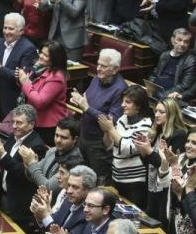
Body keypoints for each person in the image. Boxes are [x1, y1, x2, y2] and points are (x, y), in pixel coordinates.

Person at [0, 104, 48, 226]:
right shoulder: (14, 136)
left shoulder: (37, 146)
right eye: (13, 122)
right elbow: (2, 162)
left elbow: (23, 174)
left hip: (19, 205)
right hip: (3, 196)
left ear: (31, 124)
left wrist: (2, 154)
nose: (14, 126)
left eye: (19, 123)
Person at [70, 48, 128, 178]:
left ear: (115, 69)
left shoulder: (121, 89)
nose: (98, 68)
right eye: (98, 64)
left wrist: (86, 107)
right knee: (77, 176)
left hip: (99, 144)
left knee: (95, 180)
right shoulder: (97, 78)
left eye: (103, 66)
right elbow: (87, 100)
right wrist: (79, 100)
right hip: (84, 135)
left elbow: (112, 121)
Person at [98, 85, 152, 207]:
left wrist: (111, 129)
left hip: (134, 182)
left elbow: (127, 149)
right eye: (123, 101)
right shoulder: (123, 119)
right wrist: (106, 132)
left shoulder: (145, 125)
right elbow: (109, 145)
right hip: (116, 177)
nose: (122, 105)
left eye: (127, 102)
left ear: (138, 106)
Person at [135, 98, 188, 223]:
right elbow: (149, 163)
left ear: (171, 114)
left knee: (161, 224)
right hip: (152, 185)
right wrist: (143, 151)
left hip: (166, 189)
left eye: (161, 112)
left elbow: (169, 165)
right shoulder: (158, 132)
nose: (157, 114)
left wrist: (149, 151)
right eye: (156, 111)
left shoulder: (179, 135)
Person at [0, 12, 38, 119]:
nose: (6, 32)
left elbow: (24, 77)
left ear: (21, 31)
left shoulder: (28, 49)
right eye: (5, 28)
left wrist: (0, 68)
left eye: (11, 29)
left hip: (12, 100)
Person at [17, 40, 69, 144]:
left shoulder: (56, 77)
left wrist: (26, 83)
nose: (40, 56)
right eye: (41, 52)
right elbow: (32, 89)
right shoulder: (42, 69)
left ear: (55, 59)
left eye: (45, 55)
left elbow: (40, 102)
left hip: (47, 126)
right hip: (37, 120)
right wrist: (21, 79)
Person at [21, 116, 84, 193]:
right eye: (56, 135)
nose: (58, 140)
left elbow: (48, 188)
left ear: (75, 139)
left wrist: (32, 163)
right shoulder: (53, 150)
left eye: (63, 137)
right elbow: (31, 176)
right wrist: (28, 163)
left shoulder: (75, 161)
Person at [149, 28, 196, 97]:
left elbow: (184, 86)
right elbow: (154, 75)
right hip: (156, 90)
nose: (182, 44)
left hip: (171, 95)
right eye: (179, 40)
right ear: (172, 40)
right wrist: (150, 87)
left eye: (186, 42)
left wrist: (164, 95)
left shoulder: (191, 61)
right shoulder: (164, 55)